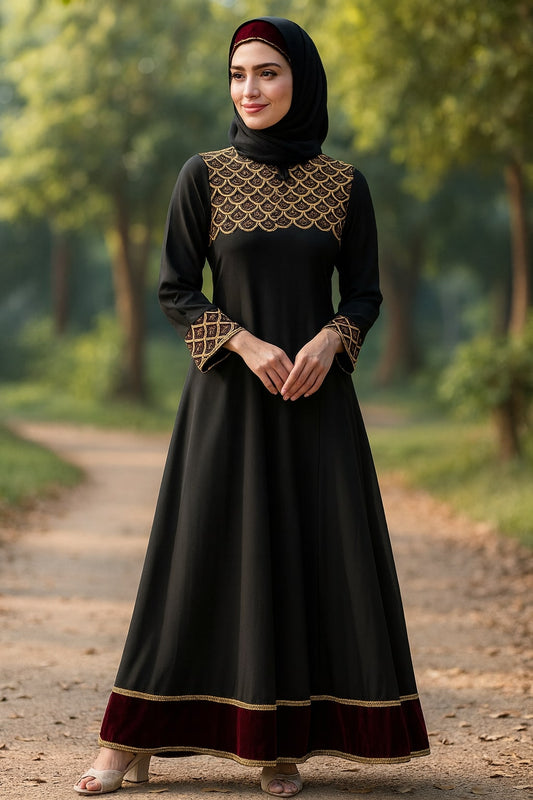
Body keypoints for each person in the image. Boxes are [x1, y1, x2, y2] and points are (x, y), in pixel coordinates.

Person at [74, 16, 430, 797]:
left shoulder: (345, 184)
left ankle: (278, 746)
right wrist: (243, 342)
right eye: (238, 75)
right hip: (228, 402)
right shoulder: (200, 174)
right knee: (190, 559)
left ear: (300, 78)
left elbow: (364, 292)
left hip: (315, 404)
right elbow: (174, 287)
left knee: (301, 558)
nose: (250, 89)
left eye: (267, 72)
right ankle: (126, 739)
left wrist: (333, 338)